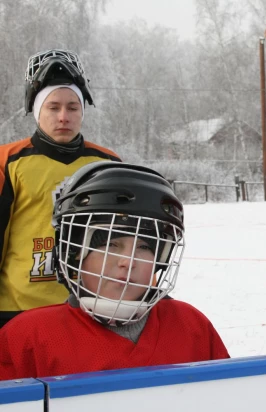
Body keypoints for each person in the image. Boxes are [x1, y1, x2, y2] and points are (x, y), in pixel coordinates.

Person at [0, 162, 229, 379]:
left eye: (144, 247)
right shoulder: (26, 337)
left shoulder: (191, 326)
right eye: (109, 244)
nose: (128, 261)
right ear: (74, 253)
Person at [0, 49, 121, 328]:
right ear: (36, 110)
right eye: (53, 107)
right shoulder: (7, 163)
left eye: (73, 107)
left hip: (89, 309)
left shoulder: (108, 163)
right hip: (16, 312)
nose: (63, 116)